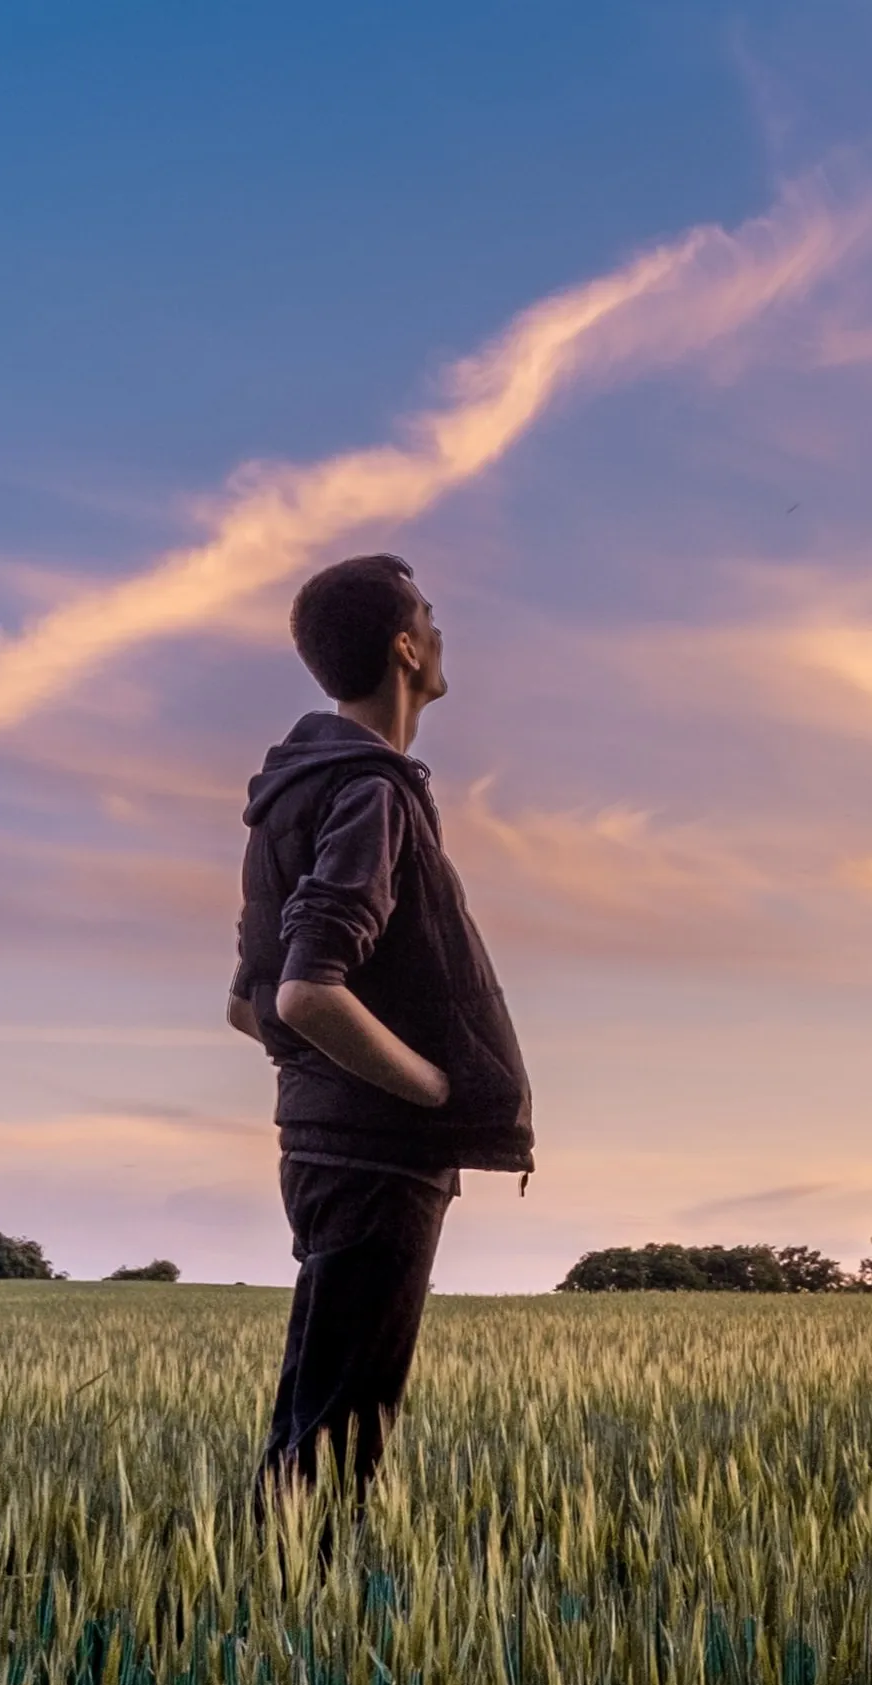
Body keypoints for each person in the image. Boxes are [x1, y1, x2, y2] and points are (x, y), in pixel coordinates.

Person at [226, 552, 533, 1504]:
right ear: (406, 647)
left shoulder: (291, 793)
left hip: (320, 1145)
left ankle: (271, 1615)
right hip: (377, 1155)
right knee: (340, 1444)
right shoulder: (371, 790)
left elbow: (247, 1000)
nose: (442, 636)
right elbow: (303, 994)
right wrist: (433, 1091)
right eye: (431, 620)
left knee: (315, 1423)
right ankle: (291, 1635)